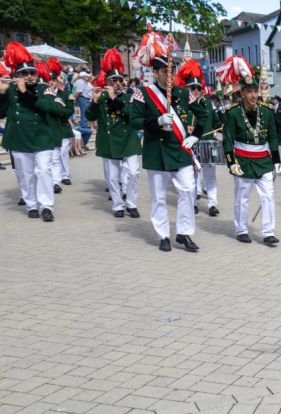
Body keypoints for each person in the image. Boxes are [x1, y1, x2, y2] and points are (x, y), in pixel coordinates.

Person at [125, 28, 207, 252]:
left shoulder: (182, 93)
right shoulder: (144, 93)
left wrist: (195, 136)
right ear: (156, 72)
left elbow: (204, 113)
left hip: (180, 150)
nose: (167, 75)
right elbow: (133, 120)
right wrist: (157, 121)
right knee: (159, 197)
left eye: (170, 71)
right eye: (163, 71)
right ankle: (163, 235)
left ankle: (184, 232)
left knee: (188, 190)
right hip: (157, 150)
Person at [0, 41, 69, 222]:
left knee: (43, 171)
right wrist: (1, 94)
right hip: (19, 138)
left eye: (32, 73)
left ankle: (46, 205)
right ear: (17, 75)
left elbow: (49, 107)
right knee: (26, 174)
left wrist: (24, 92)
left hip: (42, 137)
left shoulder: (43, 88)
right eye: (25, 74)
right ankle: (31, 204)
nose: (30, 76)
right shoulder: (10, 90)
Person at [221, 56, 281, 246]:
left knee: (268, 196)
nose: (254, 95)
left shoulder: (267, 111)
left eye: (256, 91)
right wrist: (231, 163)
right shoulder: (232, 113)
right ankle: (241, 229)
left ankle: (268, 232)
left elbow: (272, 136)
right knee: (242, 197)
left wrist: (277, 159)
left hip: (263, 159)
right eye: (249, 92)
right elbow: (228, 140)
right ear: (242, 93)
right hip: (243, 159)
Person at [87, 48, 142, 218]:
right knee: (112, 176)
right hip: (109, 139)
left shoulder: (130, 96)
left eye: (120, 80)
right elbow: (90, 116)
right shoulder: (101, 97)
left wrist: (114, 99)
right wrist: (94, 102)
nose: (118, 83)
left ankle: (131, 203)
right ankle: (118, 205)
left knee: (133, 172)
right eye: (114, 80)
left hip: (128, 139)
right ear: (107, 82)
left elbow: (130, 113)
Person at [176, 60, 222, 217]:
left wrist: (220, 126)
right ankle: (194, 203)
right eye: (192, 88)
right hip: (190, 145)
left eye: (198, 88)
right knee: (193, 176)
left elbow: (217, 122)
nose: (195, 90)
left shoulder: (208, 104)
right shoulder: (181, 106)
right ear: (186, 89)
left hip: (207, 143)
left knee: (210, 175)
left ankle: (212, 204)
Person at [46, 59, 75, 188]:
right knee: (53, 156)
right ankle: (55, 180)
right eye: (49, 80)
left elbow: (69, 111)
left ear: (57, 81)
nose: (51, 83)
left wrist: (59, 109)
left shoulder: (66, 94)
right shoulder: (45, 94)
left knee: (62, 153)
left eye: (53, 80)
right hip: (49, 128)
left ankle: (65, 175)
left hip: (62, 127)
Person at [73, 70, 93, 148]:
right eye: (86, 76)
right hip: (83, 99)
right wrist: (73, 99)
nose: (87, 77)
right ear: (83, 76)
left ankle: (84, 128)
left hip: (85, 99)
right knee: (84, 116)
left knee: (85, 116)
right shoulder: (80, 81)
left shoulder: (83, 82)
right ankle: (84, 128)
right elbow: (78, 92)